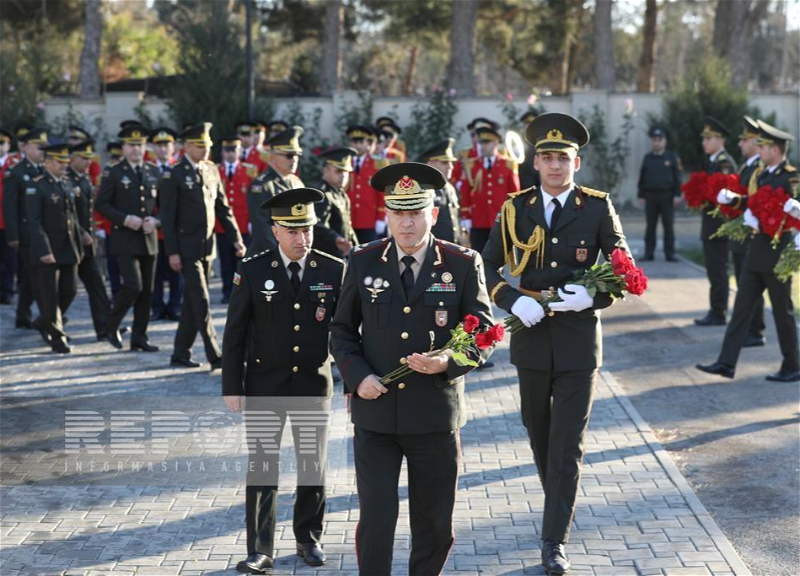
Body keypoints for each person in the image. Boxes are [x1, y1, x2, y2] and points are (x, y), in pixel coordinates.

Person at [482, 113, 632, 575]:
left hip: (577, 341)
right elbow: (484, 269)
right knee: (539, 433)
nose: (554, 166)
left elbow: (624, 266)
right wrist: (509, 299)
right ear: (535, 163)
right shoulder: (515, 208)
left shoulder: (596, 207)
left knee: (567, 444)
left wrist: (594, 295)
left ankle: (554, 541)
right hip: (530, 337)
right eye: (546, 157)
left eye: (562, 158)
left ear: (577, 163)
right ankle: (560, 507)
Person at [330, 162, 495, 576]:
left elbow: (485, 333)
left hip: (434, 417)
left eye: (415, 212)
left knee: (435, 522)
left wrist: (448, 361)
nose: (406, 223)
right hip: (377, 415)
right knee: (377, 519)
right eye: (398, 213)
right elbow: (341, 329)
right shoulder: (364, 260)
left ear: (433, 215)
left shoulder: (461, 262)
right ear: (387, 215)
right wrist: (357, 376)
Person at [223, 188, 344, 574]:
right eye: (292, 231)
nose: (301, 239)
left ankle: (309, 537)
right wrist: (232, 385)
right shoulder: (253, 269)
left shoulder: (332, 269)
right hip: (265, 384)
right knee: (262, 467)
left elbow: (347, 332)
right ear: (275, 230)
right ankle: (260, 548)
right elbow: (235, 332)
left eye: (306, 229)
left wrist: (356, 382)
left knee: (313, 466)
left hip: (313, 383)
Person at [697, 120, 799, 382]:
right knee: (742, 308)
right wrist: (736, 200)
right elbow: (755, 202)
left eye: (764, 146)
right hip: (756, 250)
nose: (760, 150)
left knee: (782, 311)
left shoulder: (790, 176)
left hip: (776, 252)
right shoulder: (762, 174)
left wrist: (768, 220)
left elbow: (793, 211)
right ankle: (726, 362)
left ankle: (792, 364)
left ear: (775, 149)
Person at [159, 123, 244, 370]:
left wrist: (236, 238)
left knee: (192, 302)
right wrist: (172, 252)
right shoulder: (173, 174)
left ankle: (180, 353)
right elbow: (167, 218)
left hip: (207, 247)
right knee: (202, 300)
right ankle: (215, 354)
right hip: (185, 249)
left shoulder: (211, 170)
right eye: (200, 145)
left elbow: (223, 208)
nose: (206, 150)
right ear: (186, 146)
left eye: (208, 145)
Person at [96, 124, 161, 351]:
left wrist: (156, 221)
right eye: (132, 145)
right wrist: (124, 219)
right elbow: (101, 204)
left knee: (147, 291)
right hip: (124, 238)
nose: (136, 150)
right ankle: (111, 325)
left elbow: (165, 206)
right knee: (133, 286)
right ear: (123, 147)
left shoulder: (154, 171)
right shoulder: (113, 172)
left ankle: (139, 337)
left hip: (148, 238)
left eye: (140, 145)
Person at [26, 143, 83, 353]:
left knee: (70, 290)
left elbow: (71, 216)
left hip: (68, 247)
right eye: (59, 162)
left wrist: (82, 235)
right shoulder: (37, 185)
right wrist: (44, 250)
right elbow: (34, 221)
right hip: (48, 248)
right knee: (50, 294)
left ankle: (44, 321)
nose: (64, 166)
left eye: (66, 162)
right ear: (47, 162)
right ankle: (58, 337)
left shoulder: (66, 183)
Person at [2, 127, 47, 330]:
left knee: (30, 277)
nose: (43, 151)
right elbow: (9, 207)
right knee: (37, 277)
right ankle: (49, 316)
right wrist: (13, 235)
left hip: (44, 232)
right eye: (39, 147)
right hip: (26, 233)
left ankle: (23, 314)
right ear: (26, 147)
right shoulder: (16, 173)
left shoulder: (45, 170)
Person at [68, 139, 113, 341]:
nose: (88, 162)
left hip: (87, 245)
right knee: (66, 290)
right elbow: (64, 214)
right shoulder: (66, 179)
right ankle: (48, 322)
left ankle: (105, 329)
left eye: (89, 158)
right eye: (83, 158)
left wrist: (93, 232)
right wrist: (81, 232)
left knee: (97, 286)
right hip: (70, 243)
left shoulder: (84, 179)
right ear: (71, 158)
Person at [695, 116, 737, 326]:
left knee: (719, 270)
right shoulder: (712, 162)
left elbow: (726, 195)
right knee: (713, 269)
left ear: (720, 140)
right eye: (704, 139)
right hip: (711, 225)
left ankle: (718, 312)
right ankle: (716, 309)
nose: (704, 143)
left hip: (719, 226)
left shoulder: (724, 163)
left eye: (709, 138)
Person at [460, 125, 521, 253]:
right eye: (481, 143)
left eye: (486, 143)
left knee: (498, 258)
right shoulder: (472, 164)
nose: (482, 146)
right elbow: (465, 192)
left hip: (499, 221)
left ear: (495, 143)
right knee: (478, 256)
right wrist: (466, 216)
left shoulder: (508, 164)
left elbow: (515, 194)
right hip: (478, 220)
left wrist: (513, 218)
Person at [246, 126, 305, 255]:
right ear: (272, 156)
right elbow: (262, 228)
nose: (294, 160)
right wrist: (283, 254)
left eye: (297, 155)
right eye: (289, 155)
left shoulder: (297, 182)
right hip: (269, 256)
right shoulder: (262, 185)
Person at [148, 127, 184, 321]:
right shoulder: (147, 169)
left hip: (175, 230)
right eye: (159, 145)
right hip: (153, 231)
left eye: (166, 145)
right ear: (153, 147)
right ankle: (157, 307)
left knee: (176, 271)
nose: (163, 149)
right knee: (156, 272)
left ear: (174, 147)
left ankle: (175, 306)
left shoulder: (179, 168)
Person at [216, 136, 255, 303]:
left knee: (242, 261)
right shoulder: (216, 171)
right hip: (221, 225)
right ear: (222, 152)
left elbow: (253, 199)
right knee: (225, 260)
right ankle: (227, 291)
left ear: (239, 151)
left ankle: (240, 291)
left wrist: (252, 221)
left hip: (243, 224)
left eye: (234, 150)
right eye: (227, 150)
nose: (230, 154)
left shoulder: (249, 171)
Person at [637, 126, 682, 261]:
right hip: (650, 197)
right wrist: (640, 194)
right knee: (650, 226)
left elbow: (677, 178)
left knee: (668, 226)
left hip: (667, 197)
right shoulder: (648, 158)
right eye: (654, 140)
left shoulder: (671, 157)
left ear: (664, 141)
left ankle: (670, 253)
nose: (656, 142)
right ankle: (648, 253)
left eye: (659, 140)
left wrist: (677, 194)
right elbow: (642, 177)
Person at [345, 125, 390, 244]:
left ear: (368, 143)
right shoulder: (345, 163)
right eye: (354, 141)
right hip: (348, 219)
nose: (357, 145)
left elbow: (382, 193)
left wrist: (381, 217)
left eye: (361, 141)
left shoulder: (378, 164)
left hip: (368, 219)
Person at [312, 146, 359, 258]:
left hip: (342, 254)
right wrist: (336, 239)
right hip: (326, 255)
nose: (343, 176)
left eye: (346, 172)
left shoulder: (341, 194)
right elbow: (316, 224)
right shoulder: (321, 194)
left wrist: (357, 247)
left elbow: (348, 227)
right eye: (339, 171)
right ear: (326, 170)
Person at [418, 138, 461, 244]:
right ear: (430, 163)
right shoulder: (423, 188)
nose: (450, 166)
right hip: (432, 249)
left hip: (451, 248)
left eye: (451, 162)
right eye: (445, 162)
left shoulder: (450, 187)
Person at [0, 127, 18, 305]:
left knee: (9, 259)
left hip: (8, 220)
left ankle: (8, 291)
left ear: (8, 144)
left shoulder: (15, 164)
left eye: (1, 143)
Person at [518, 110, 542, 189]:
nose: (529, 127)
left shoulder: (541, 142)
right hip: (521, 185)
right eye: (527, 124)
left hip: (539, 184)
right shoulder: (518, 142)